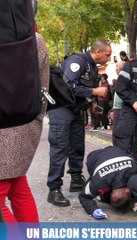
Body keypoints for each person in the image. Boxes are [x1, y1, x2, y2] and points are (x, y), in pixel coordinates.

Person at [0, 0, 49, 222]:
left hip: (4, 127)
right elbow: (44, 87)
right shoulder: (36, 41)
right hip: (28, 122)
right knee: (19, 187)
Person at [47, 40, 111, 207]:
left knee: (77, 145)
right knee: (60, 147)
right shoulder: (77, 62)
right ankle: (54, 189)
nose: (109, 58)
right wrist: (94, 91)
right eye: (107, 54)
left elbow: (84, 90)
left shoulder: (93, 67)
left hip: (76, 110)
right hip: (61, 108)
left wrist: (94, 103)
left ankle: (76, 179)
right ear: (97, 51)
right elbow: (68, 86)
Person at [78, 146, 137, 220]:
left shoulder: (135, 170)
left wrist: (93, 209)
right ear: (127, 191)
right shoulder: (98, 182)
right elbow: (84, 196)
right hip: (94, 156)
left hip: (114, 149)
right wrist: (93, 210)